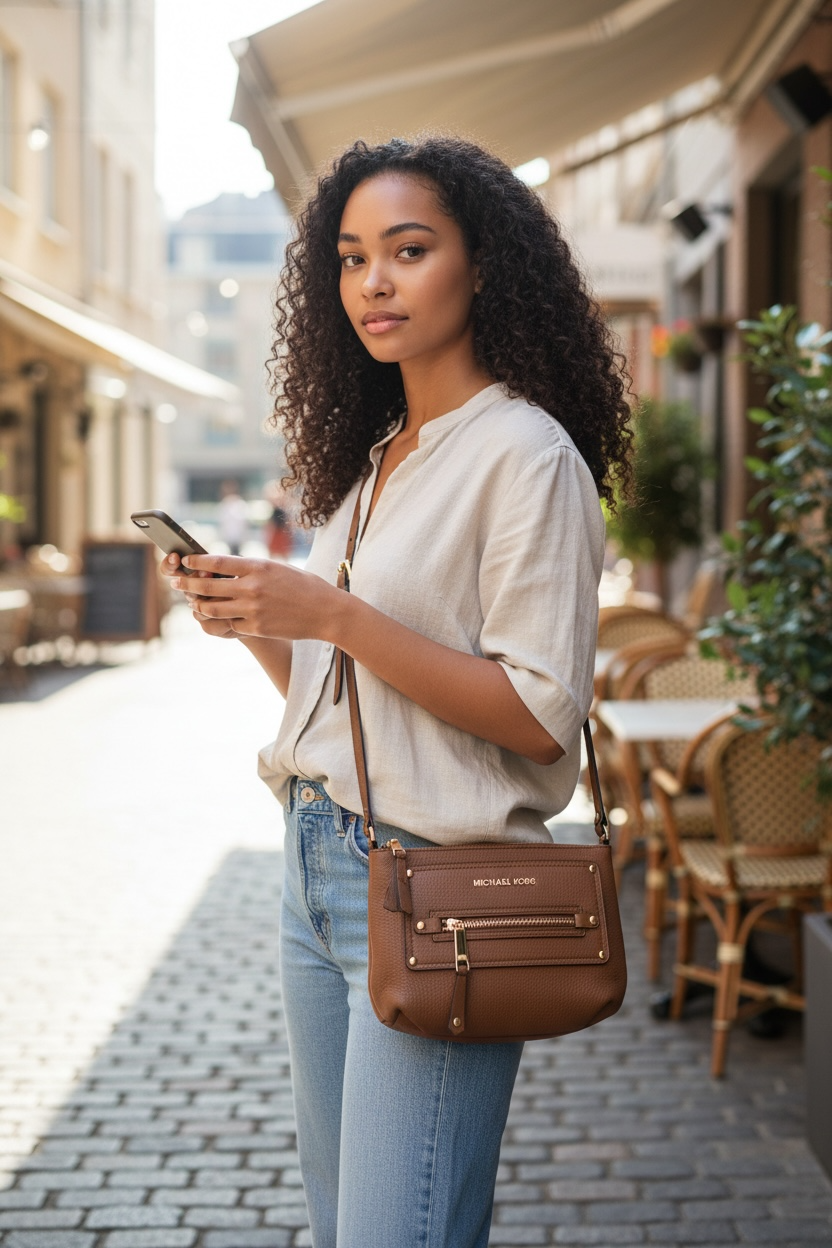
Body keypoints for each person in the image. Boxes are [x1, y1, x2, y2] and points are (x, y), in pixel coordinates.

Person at [163, 135, 631, 1248]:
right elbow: (345, 693)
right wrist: (256, 627)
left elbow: (535, 714)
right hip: (316, 865)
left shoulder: (525, 454)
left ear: (482, 267)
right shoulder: (381, 457)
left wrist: (331, 613)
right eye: (352, 256)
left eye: (408, 250)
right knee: (344, 1230)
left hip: (443, 887)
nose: (373, 281)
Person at [217, 479, 247, 556]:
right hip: (229, 536)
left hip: (237, 536)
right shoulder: (225, 503)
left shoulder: (239, 503)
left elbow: (242, 521)